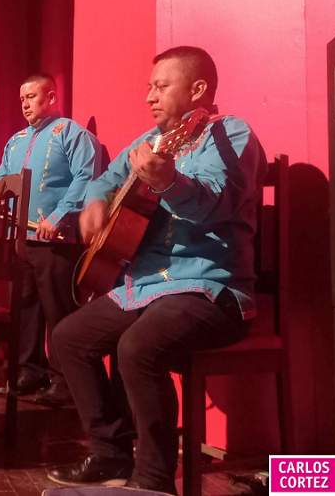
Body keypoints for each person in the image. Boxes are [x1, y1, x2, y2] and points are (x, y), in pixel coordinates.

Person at [47, 46, 268, 493]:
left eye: (161, 86)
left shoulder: (230, 134)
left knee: (137, 347)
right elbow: (103, 180)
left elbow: (217, 204)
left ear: (197, 89)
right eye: (149, 86)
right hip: (145, 286)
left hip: (210, 286)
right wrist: (94, 203)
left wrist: (168, 181)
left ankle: (153, 480)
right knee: (68, 338)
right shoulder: (148, 140)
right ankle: (110, 453)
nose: (149, 96)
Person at [0, 73, 102, 405]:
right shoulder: (15, 141)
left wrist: (57, 217)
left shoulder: (71, 133)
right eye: (22, 99)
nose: (25, 104)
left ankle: (64, 380)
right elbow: (2, 180)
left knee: (58, 309)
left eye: (31, 96)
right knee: (26, 308)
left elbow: (87, 176)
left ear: (51, 97)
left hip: (57, 240)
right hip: (22, 239)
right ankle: (30, 370)